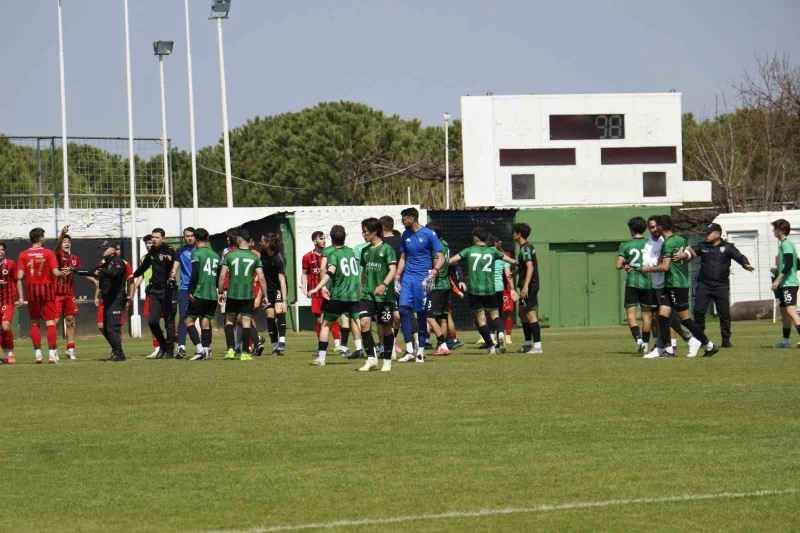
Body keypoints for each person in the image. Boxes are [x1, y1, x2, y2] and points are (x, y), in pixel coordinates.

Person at [641, 215, 718, 358]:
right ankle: (667, 349)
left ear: (661, 227)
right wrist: (685, 256)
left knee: (685, 320)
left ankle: (709, 344)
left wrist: (648, 269)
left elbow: (665, 267)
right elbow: (693, 254)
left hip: (676, 284)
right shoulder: (680, 239)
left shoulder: (668, 243)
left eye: (657, 226)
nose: (655, 228)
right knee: (662, 315)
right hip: (671, 285)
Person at [681, 222, 754, 348]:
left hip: (721, 286)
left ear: (717, 234)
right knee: (698, 311)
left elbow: (740, 257)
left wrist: (745, 264)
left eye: (708, 233)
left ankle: (726, 340)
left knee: (724, 314)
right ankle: (700, 340)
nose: (706, 235)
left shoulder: (728, 247)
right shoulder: (702, 246)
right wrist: (684, 253)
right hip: (704, 285)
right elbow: (690, 252)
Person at [448, 227, 518, 354]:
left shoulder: (469, 250)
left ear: (475, 238)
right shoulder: (493, 251)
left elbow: (452, 260)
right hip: (490, 290)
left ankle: (491, 347)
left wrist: (437, 264)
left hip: (475, 290)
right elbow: (509, 260)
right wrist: (518, 263)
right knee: (495, 316)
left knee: (481, 321)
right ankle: (501, 333)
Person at [395, 207, 445, 363]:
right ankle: (409, 350)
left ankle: (420, 351)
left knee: (422, 314)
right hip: (408, 278)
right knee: (402, 310)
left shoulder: (429, 234)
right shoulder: (405, 234)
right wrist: (397, 276)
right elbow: (403, 258)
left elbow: (441, 257)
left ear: (411, 218)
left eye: (404, 219)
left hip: (423, 279)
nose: (402, 221)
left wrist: (434, 271)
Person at [308, 225, 362, 366]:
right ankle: (367, 352)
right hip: (354, 295)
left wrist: (319, 288)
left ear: (331, 239)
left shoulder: (331, 253)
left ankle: (321, 358)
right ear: (345, 237)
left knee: (325, 325)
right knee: (359, 323)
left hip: (338, 294)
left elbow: (327, 271)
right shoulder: (351, 251)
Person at [218, 228, 268, 360]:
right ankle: (245, 353)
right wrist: (266, 296)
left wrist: (221, 291)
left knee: (229, 321)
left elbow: (222, 276)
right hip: (248, 295)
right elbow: (261, 278)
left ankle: (230, 350)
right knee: (246, 323)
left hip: (232, 294)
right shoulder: (254, 257)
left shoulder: (230, 255)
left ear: (239, 239)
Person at [16, 227, 66, 363]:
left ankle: (38, 354)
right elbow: (55, 273)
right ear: (40, 238)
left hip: (32, 292)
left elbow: (19, 276)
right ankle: (51, 354)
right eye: (43, 236)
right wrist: (62, 274)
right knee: (50, 322)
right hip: (47, 291)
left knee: (34, 323)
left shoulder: (23, 254)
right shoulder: (48, 253)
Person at [356, 218, 397, 372]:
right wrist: (361, 288)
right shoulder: (365, 251)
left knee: (386, 328)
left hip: (385, 296)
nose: (363, 234)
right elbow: (364, 272)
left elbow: (393, 270)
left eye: (365, 231)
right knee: (364, 324)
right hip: (368, 295)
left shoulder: (387, 249)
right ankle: (371, 359)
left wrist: (383, 284)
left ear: (374, 232)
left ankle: (387, 360)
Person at [129, 228, 176, 359]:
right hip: (154, 290)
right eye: (153, 237)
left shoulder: (169, 249)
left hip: (168, 289)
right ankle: (163, 346)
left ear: (163, 239)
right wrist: (133, 275)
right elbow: (143, 267)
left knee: (169, 321)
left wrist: (167, 258)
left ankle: (170, 350)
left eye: (157, 237)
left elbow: (171, 258)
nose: (154, 239)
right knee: (152, 321)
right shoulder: (151, 253)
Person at [616, 217, 656, 354]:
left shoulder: (625, 245)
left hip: (632, 283)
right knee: (647, 315)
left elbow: (618, 265)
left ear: (631, 229)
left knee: (631, 313)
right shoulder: (650, 243)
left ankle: (638, 340)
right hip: (648, 283)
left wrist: (625, 265)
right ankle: (646, 344)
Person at [301, 231, 342, 353]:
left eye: (324, 238)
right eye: (321, 238)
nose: (324, 240)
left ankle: (338, 344)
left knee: (333, 317)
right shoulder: (307, 257)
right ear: (314, 241)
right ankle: (321, 346)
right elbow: (304, 273)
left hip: (330, 291)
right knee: (319, 320)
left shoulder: (331, 254)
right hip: (316, 293)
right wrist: (304, 287)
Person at [185, 228, 219, 361]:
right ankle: (206, 350)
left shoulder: (197, 253)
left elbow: (195, 274)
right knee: (205, 321)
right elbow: (218, 276)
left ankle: (199, 349)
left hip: (200, 292)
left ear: (195, 238)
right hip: (212, 294)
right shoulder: (215, 255)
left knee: (188, 321)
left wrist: (190, 290)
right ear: (207, 238)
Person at [94, 241, 130, 361]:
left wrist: (130, 297)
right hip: (107, 298)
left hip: (117, 298)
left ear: (113, 250)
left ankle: (119, 354)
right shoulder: (104, 262)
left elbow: (115, 274)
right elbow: (94, 272)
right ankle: (117, 352)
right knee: (106, 327)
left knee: (113, 327)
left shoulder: (119, 262)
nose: (103, 250)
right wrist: (77, 271)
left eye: (105, 248)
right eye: (101, 248)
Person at [52, 225, 82, 360]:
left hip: (69, 294)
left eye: (68, 242)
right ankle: (54, 349)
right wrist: (62, 234)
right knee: (55, 321)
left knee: (70, 320)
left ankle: (70, 349)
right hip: (57, 294)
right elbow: (56, 248)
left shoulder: (74, 258)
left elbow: (81, 271)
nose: (67, 243)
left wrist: (94, 279)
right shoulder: (57, 256)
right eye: (64, 242)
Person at [769, 218, 800, 348]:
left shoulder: (786, 244)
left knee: (791, 311)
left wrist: (777, 279)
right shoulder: (783, 244)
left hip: (789, 284)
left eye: (775, 228)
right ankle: (785, 342)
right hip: (784, 284)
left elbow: (789, 264)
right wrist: (776, 271)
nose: (773, 231)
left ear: (781, 230)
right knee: (785, 314)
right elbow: (796, 264)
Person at [512, 223, 542, 354]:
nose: (512, 234)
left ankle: (537, 346)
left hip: (529, 286)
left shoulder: (525, 248)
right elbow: (524, 266)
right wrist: (516, 272)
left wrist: (525, 287)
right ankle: (528, 343)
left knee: (530, 314)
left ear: (519, 234)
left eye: (514, 232)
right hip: (528, 285)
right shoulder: (527, 247)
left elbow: (530, 266)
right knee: (522, 314)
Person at [425, 221, 453, 356]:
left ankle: (442, 343)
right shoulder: (445, 245)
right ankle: (442, 346)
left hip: (438, 286)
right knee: (442, 317)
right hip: (446, 285)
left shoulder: (437, 248)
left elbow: (437, 266)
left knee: (428, 316)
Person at [260, 233, 288, 355]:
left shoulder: (278, 258)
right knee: (269, 316)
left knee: (279, 310)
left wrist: (284, 301)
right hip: (267, 290)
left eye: (262, 241)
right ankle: (275, 346)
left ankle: (282, 341)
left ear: (268, 243)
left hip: (278, 289)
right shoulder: (263, 254)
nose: (260, 243)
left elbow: (282, 280)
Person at [171, 226, 196, 359]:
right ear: (184, 237)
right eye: (187, 236)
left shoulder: (201, 250)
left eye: (192, 235)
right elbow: (175, 267)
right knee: (183, 317)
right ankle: (181, 347)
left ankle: (205, 347)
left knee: (203, 318)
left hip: (199, 289)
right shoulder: (180, 251)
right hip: (185, 289)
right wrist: (171, 276)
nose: (190, 238)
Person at [0, 242, 19, 364]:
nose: (1, 252)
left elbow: (17, 280)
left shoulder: (10, 264)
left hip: (8, 300)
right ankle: (6, 354)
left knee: (5, 326)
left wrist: (20, 297)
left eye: (2, 249)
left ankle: (11, 352)